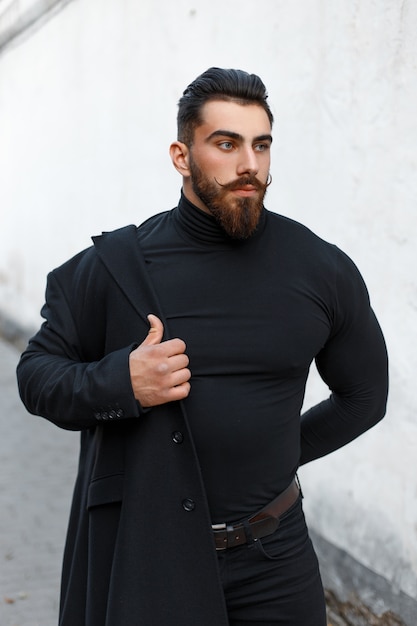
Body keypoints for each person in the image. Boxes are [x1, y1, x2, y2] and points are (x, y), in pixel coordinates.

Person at [17, 67, 388, 626]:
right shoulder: (117, 268)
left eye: (261, 145)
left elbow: (365, 395)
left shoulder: (321, 267)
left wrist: (280, 451)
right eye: (226, 143)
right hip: (151, 557)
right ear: (181, 155)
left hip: (277, 560)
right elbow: (35, 375)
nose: (250, 165)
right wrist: (123, 382)